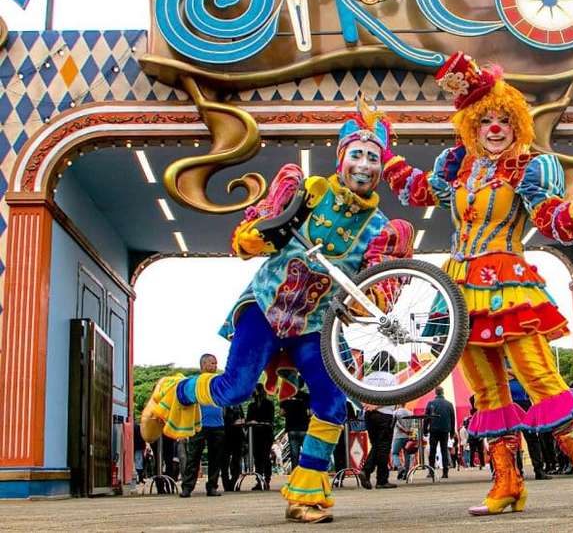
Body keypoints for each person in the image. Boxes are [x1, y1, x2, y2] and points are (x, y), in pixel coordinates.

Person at [141, 106, 413, 523]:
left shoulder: (379, 228)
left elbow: (371, 286)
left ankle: (305, 494)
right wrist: (255, 237)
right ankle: (170, 393)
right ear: (342, 157)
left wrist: (370, 303)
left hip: (314, 326)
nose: (364, 165)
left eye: (373, 158)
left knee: (331, 401)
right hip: (265, 307)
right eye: (356, 154)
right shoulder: (310, 191)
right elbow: (255, 234)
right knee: (235, 389)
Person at [383, 51, 573, 515]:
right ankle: (506, 483)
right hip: (459, 286)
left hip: (507, 280)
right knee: (485, 390)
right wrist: (386, 154)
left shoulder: (530, 167)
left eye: (503, 120)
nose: (494, 128)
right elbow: (417, 190)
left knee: (538, 376)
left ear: (517, 125)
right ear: (472, 125)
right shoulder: (459, 166)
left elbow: (551, 220)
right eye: (485, 120)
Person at [180, 354, 225, 498]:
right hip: (199, 424)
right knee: (194, 456)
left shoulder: (219, 381)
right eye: (212, 363)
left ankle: (212, 487)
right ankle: (187, 487)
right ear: (204, 364)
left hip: (217, 424)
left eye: (216, 363)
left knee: (216, 458)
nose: (215, 366)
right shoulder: (194, 381)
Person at [359, 351, 398, 490]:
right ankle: (379, 478)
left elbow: (360, 395)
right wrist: (378, 405)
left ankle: (368, 472)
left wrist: (368, 406)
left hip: (369, 415)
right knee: (383, 447)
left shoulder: (367, 378)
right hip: (384, 414)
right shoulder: (391, 378)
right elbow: (393, 397)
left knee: (375, 444)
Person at [508, 374, 549, 480]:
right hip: (510, 407)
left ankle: (539, 470)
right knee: (512, 441)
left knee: (532, 439)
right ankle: (517, 471)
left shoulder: (520, 374)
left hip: (525, 406)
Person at [246, 384, 275, 490]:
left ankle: (266, 480)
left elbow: (270, 419)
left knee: (265, 456)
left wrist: (258, 421)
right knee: (257, 458)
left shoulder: (269, 404)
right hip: (255, 434)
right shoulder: (251, 406)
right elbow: (248, 419)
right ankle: (259, 480)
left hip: (265, 433)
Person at [424, 386, 456, 479]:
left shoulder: (430, 403)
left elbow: (426, 418)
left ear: (435, 393)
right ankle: (445, 472)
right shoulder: (449, 404)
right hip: (445, 430)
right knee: (444, 450)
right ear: (443, 393)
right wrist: (452, 432)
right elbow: (452, 419)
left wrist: (425, 430)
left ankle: (431, 471)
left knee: (432, 451)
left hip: (433, 430)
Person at [280, 388, 310, 471]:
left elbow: (281, 413)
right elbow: (310, 412)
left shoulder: (285, 400)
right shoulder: (305, 399)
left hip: (292, 429)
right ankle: (307, 471)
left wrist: (289, 414)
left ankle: (295, 472)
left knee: (294, 453)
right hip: (304, 428)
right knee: (306, 451)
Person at [221, 404, 245, 491]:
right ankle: (227, 485)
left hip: (237, 434)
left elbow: (242, 418)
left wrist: (241, 421)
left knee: (236, 459)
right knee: (224, 461)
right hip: (225, 434)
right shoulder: (222, 404)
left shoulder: (238, 404)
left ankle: (233, 483)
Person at [391, 404, 414, 480]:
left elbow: (396, 424)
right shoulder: (410, 412)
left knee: (394, 453)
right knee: (407, 454)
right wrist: (409, 431)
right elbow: (413, 424)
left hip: (398, 436)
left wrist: (404, 430)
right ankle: (406, 473)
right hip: (408, 436)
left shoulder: (395, 412)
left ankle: (400, 467)